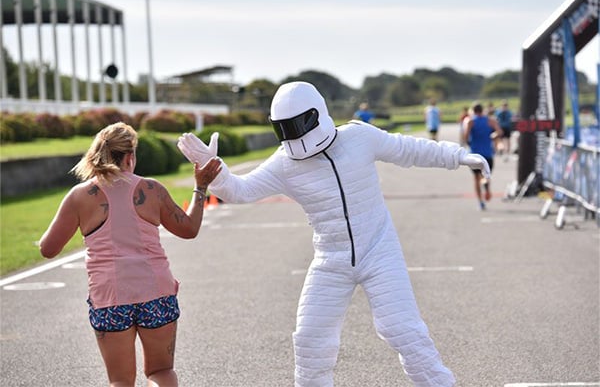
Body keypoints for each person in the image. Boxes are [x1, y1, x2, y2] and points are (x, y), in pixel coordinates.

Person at [178, 81, 490, 387]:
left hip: (380, 249)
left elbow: (408, 148)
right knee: (310, 342)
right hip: (330, 259)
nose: (294, 135)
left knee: (403, 330)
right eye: (285, 128)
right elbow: (240, 190)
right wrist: (213, 169)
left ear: (316, 115)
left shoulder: (358, 136)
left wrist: (457, 156)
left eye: (297, 125)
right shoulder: (285, 163)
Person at [39, 122, 222, 387]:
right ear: (130, 157)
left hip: (110, 298)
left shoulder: (79, 196)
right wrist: (200, 187)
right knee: (160, 372)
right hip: (156, 293)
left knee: (121, 381)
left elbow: (48, 249)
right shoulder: (151, 189)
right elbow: (189, 229)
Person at [463, 102, 503, 210]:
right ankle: (486, 185)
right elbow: (499, 132)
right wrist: (492, 136)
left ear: (473, 110)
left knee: (476, 178)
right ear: (482, 110)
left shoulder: (470, 121)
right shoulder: (490, 120)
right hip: (487, 153)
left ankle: (480, 202)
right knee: (486, 174)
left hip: (474, 154)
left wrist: (470, 144)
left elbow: (466, 137)